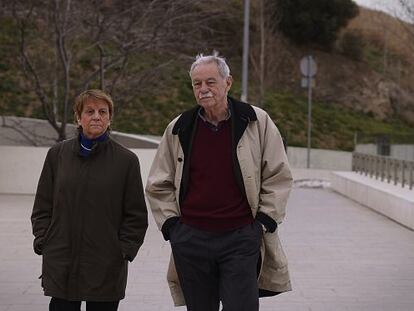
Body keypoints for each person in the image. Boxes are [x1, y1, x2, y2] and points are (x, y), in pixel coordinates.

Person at [145, 52, 293, 311]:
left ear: (228, 83)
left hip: (240, 238)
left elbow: (278, 175)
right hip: (191, 240)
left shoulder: (256, 121)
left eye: (210, 82)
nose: (203, 89)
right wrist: (172, 227)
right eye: (197, 84)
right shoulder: (180, 128)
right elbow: (158, 183)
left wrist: (262, 224)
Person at [31, 89, 148, 311]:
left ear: (110, 117)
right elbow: (42, 205)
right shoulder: (57, 155)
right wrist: (44, 240)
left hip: (105, 265)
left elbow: (136, 215)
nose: (97, 116)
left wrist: (123, 251)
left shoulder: (127, 161)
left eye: (103, 111)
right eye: (90, 111)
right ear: (78, 117)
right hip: (61, 261)